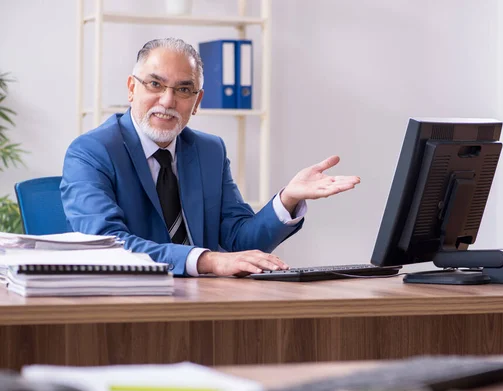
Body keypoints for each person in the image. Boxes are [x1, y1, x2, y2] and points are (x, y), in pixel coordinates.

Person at [61, 38, 360, 277]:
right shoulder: (91, 151)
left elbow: (241, 242)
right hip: (127, 306)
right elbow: (108, 245)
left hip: (204, 301)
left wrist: (287, 199)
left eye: (183, 89)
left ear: (197, 102)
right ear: (131, 88)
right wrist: (207, 261)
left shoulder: (209, 150)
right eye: (155, 84)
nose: (167, 100)